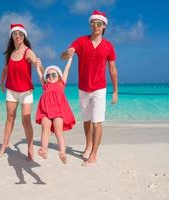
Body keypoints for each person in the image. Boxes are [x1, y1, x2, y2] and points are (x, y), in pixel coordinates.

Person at [61, 10, 118, 165]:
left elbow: (112, 69)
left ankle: (93, 155)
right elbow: (63, 57)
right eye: (93, 24)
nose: (95, 26)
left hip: (99, 88)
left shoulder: (108, 47)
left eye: (98, 24)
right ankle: (88, 146)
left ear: (104, 26)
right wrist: (68, 52)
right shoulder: (80, 41)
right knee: (86, 121)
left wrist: (115, 91)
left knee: (97, 122)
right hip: (83, 88)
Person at [0, 23, 41, 160]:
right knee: (10, 117)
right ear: (12, 36)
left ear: (24, 36)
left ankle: (30, 148)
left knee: (26, 120)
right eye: (15, 34)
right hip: (11, 90)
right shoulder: (10, 53)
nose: (18, 36)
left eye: (20, 34)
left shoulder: (28, 52)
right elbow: (5, 69)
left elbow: (38, 66)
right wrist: (2, 82)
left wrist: (41, 69)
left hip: (26, 92)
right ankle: (4, 145)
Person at [34, 58, 76, 164]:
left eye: (53, 75)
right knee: (45, 129)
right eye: (48, 75)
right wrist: (37, 66)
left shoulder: (61, 84)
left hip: (58, 112)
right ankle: (44, 150)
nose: (50, 77)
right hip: (45, 112)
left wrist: (70, 59)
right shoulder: (45, 86)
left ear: (59, 76)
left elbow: (66, 70)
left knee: (58, 131)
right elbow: (40, 74)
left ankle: (62, 153)